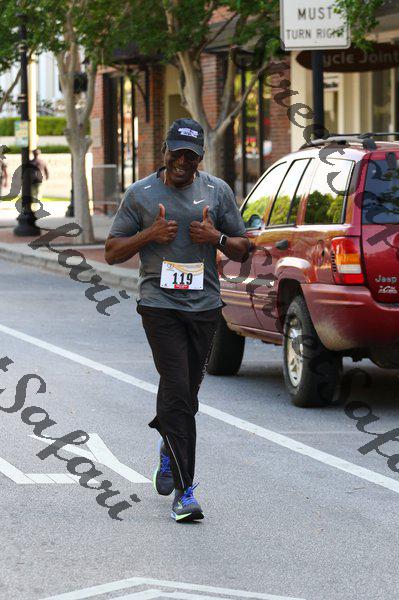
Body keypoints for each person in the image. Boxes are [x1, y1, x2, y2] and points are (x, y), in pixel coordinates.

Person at [105, 118, 249, 523]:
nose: (183, 161)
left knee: (186, 392)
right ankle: (185, 493)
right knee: (177, 388)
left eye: (192, 155)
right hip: (160, 306)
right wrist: (149, 235)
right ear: (164, 151)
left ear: (200, 158)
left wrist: (216, 238)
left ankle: (169, 446)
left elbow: (243, 249)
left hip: (204, 307)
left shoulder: (217, 191)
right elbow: (112, 252)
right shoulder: (141, 193)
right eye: (177, 153)